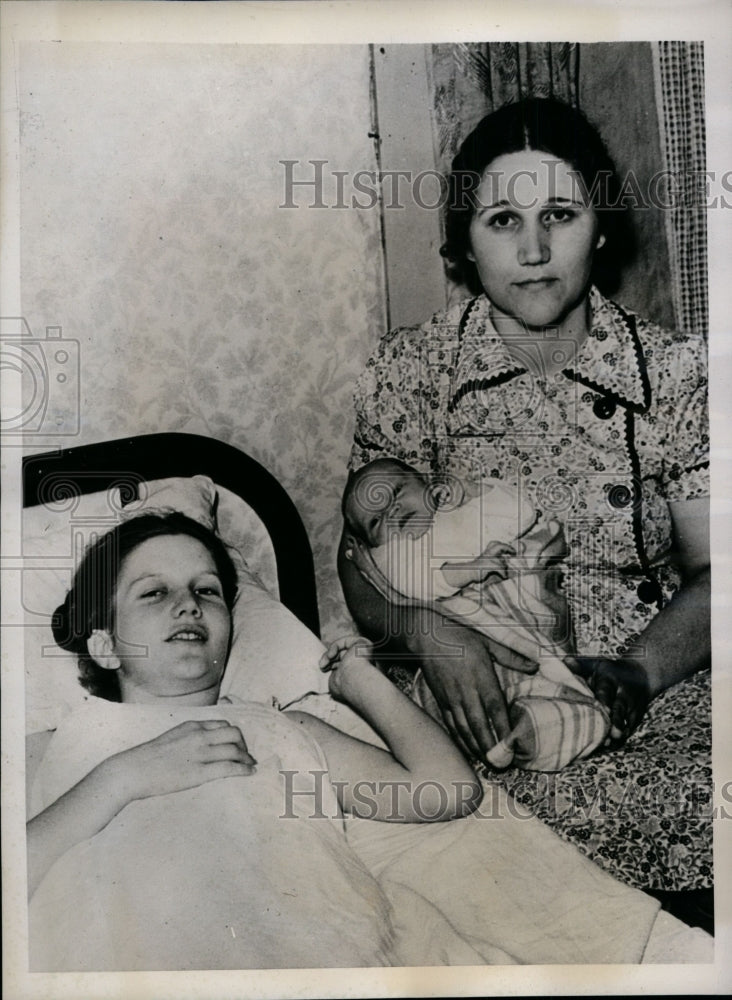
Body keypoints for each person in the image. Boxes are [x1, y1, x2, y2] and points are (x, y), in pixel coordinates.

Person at [339, 96, 710, 772]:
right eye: (503, 219)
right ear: (466, 240)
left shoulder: (678, 372)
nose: (534, 251)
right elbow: (360, 555)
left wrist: (639, 671)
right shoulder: (412, 369)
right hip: (480, 694)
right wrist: (429, 634)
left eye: (560, 215)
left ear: (600, 229)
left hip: (652, 685)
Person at [27, 511, 482, 970]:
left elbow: (448, 789)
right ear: (105, 646)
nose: (189, 605)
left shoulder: (282, 728)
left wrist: (361, 683)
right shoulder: (59, 744)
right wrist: (123, 777)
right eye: (154, 592)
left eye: (207, 590)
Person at [342, 457, 610, 770]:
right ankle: (521, 729)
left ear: (427, 482)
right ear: (373, 544)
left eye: (398, 492)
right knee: (443, 703)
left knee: (546, 678)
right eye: (376, 521)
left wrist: (475, 491)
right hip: (467, 632)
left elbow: (521, 514)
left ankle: (545, 722)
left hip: (522, 612)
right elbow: (417, 582)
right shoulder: (398, 552)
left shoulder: (460, 511)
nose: (392, 511)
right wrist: (472, 569)